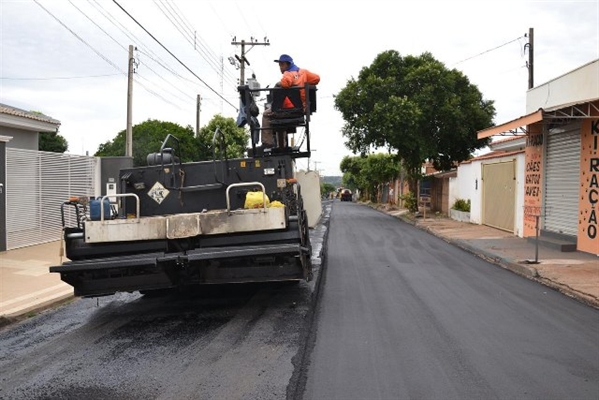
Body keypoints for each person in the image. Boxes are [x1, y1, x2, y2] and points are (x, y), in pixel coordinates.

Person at [261, 54, 320, 148]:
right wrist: (304, 81)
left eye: (281, 65)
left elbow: (286, 83)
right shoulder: (303, 72)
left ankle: (267, 142)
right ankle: (283, 144)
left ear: (287, 64)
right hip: (301, 108)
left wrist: (278, 84)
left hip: (287, 108)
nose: (280, 67)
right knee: (280, 116)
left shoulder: (288, 73)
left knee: (267, 114)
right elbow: (317, 78)